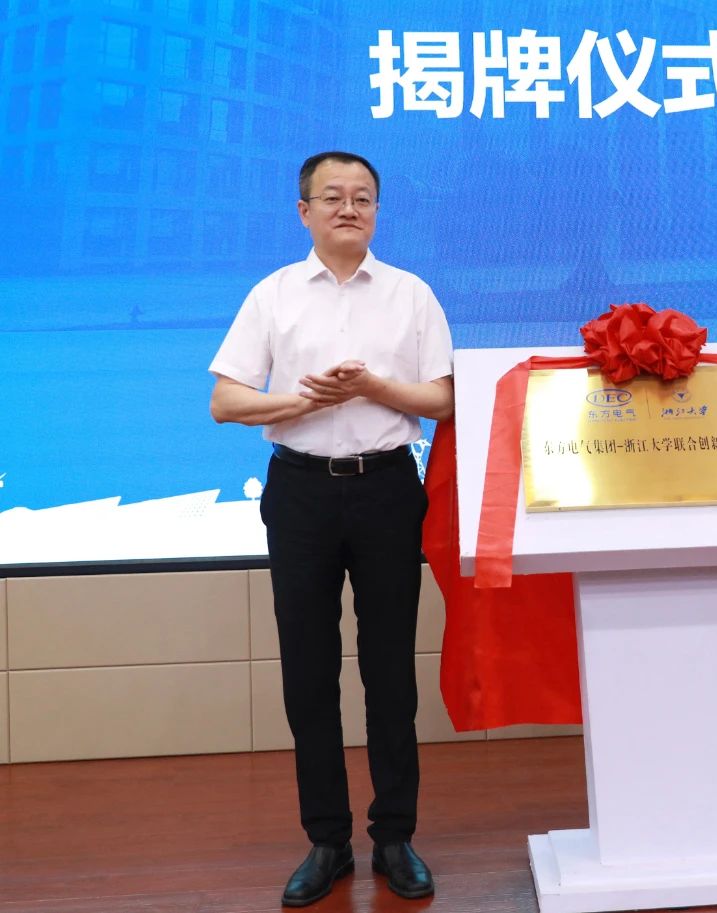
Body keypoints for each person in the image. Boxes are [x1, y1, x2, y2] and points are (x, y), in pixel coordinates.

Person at [209, 151, 454, 905]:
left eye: (363, 198)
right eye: (333, 197)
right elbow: (225, 401)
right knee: (309, 672)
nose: (349, 208)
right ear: (304, 211)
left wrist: (373, 387)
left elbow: (444, 399)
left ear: (377, 211)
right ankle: (327, 840)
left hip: (387, 491)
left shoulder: (412, 294)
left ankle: (395, 836)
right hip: (302, 496)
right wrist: (302, 403)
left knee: (390, 671)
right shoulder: (273, 294)